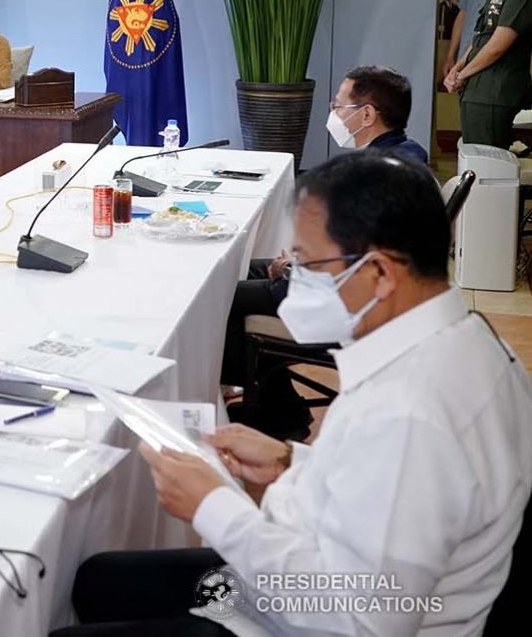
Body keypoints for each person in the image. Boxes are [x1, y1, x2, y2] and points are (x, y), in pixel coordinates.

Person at [58, 152, 532, 636]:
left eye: (307, 263)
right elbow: (386, 491)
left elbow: (362, 619)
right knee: (97, 581)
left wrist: (213, 507)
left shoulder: (410, 411)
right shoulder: (469, 342)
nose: (291, 278)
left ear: (381, 273)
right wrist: (291, 462)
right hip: (311, 567)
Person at [222, 66, 427, 440]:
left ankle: (278, 415)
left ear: (367, 114)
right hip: (339, 277)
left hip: (344, 295)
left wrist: (297, 268)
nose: (334, 113)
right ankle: (279, 405)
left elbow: (364, 253)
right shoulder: (403, 154)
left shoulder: (383, 169)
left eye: (339, 105)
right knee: (244, 271)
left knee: (218, 300)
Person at [445, 0, 532, 150]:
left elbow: (497, 45)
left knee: (488, 165)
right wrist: (457, 68)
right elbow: (482, 35)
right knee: (473, 157)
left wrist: (463, 74)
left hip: (495, 91)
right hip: (478, 88)